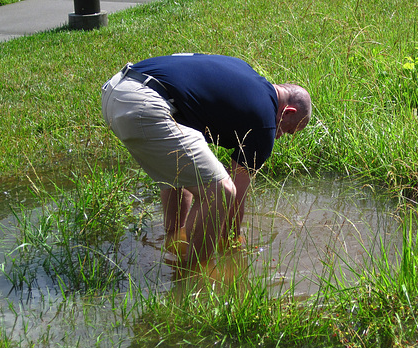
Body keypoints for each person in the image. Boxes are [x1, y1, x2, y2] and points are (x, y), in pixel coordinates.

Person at [101, 53, 311, 268]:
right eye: (287, 130)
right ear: (288, 111)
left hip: (116, 90)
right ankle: (193, 277)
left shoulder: (245, 72)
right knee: (221, 191)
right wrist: (233, 243)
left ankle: (175, 243)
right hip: (144, 104)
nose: (278, 136)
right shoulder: (265, 122)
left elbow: (179, 168)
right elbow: (235, 196)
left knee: (179, 171)